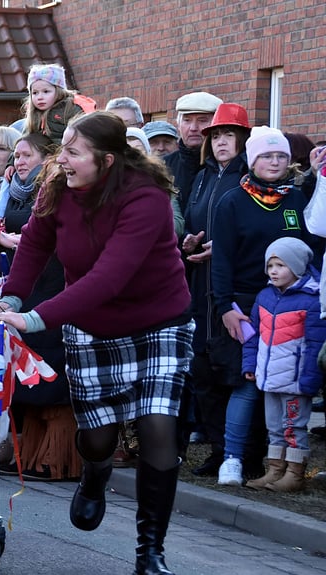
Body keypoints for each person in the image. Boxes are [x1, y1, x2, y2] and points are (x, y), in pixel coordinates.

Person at [0, 111, 194, 575]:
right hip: (93, 326)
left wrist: (35, 317)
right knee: (98, 438)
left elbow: (109, 277)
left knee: (158, 426)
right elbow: (35, 244)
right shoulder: (57, 185)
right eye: (62, 148)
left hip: (157, 322)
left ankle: (150, 552)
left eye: (73, 152)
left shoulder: (146, 197)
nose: (62, 159)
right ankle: (95, 473)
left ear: (106, 160)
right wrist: (14, 296)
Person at [212, 126, 317, 486]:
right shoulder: (233, 201)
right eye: (267, 156)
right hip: (244, 303)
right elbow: (221, 259)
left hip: (290, 305)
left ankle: (279, 464)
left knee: (284, 388)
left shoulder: (297, 200)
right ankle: (232, 458)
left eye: (281, 156)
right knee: (247, 382)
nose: (275, 162)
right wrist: (225, 305)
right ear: (252, 160)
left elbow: (311, 251)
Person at [0, 132, 80, 481]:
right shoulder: (16, 193)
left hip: (61, 282)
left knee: (55, 372)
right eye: (17, 155)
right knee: (28, 371)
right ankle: (26, 453)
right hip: (30, 284)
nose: (19, 160)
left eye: (26, 154)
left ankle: (55, 457)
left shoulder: (65, 190)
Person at [180, 102, 251, 477]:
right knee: (202, 368)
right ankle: (216, 446)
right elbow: (192, 220)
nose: (222, 142)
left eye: (229, 135)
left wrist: (220, 250)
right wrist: (188, 243)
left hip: (232, 284)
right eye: (217, 135)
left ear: (243, 139)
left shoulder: (248, 177)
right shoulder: (203, 176)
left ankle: (238, 452)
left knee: (232, 368)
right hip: (198, 283)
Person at [242, 237, 326, 492]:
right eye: (270, 266)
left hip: (295, 380)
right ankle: (275, 470)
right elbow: (252, 335)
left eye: (281, 265)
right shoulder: (265, 296)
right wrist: (249, 364)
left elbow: (315, 345)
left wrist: (310, 380)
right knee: (275, 428)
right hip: (269, 378)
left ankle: (294, 473)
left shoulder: (313, 299)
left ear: (298, 266)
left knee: (294, 427)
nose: (274, 271)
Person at [165, 91, 222, 207]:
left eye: (202, 120)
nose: (193, 128)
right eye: (187, 120)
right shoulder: (163, 167)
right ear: (178, 124)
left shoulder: (227, 167)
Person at [21, 63, 85, 146]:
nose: (39, 97)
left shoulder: (71, 108)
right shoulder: (34, 116)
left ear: (58, 91)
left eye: (46, 91)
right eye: (35, 93)